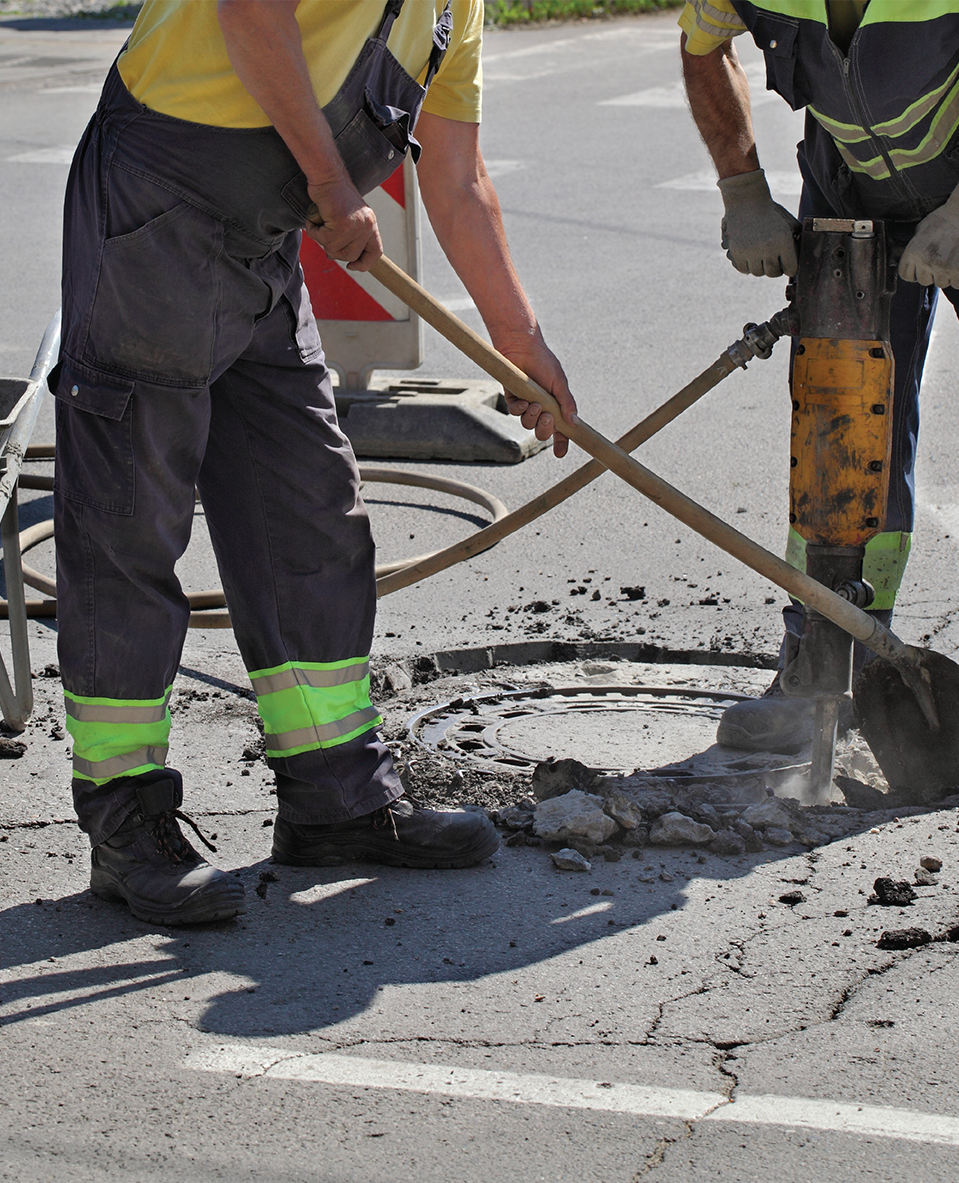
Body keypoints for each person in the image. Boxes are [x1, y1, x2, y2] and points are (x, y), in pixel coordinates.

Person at [54, 0, 576, 926]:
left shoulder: (457, 11)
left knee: (308, 514)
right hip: (158, 204)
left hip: (261, 234)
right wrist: (336, 193)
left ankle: (336, 801)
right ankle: (126, 817)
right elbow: (252, 15)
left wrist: (518, 342)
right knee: (133, 521)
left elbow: (455, 175)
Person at [679, 0, 959, 787]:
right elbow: (703, 49)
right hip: (852, 183)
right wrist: (741, 186)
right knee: (842, 417)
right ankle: (823, 663)